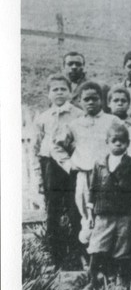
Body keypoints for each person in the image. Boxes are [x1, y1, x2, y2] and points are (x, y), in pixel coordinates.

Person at [52, 82, 125, 246]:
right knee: (87, 214)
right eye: (86, 99)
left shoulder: (113, 121)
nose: (90, 102)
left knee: (109, 214)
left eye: (94, 98)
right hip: (85, 175)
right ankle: (89, 257)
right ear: (80, 101)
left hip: (110, 176)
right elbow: (56, 146)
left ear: (102, 100)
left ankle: (109, 260)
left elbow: (127, 141)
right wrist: (69, 165)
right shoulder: (74, 124)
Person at [80, 125, 131, 290]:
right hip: (103, 213)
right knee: (96, 246)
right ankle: (93, 282)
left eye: (122, 141)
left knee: (122, 247)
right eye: (114, 141)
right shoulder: (99, 164)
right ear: (107, 142)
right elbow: (93, 189)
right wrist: (91, 213)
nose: (118, 144)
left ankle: (120, 281)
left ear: (128, 143)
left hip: (124, 214)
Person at [33, 74, 83, 265]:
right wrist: (39, 177)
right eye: (55, 89)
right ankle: (56, 255)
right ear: (48, 94)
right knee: (53, 209)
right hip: (50, 167)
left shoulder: (78, 114)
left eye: (63, 89)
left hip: (72, 165)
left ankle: (77, 253)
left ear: (70, 92)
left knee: (74, 208)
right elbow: (36, 149)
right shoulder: (43, 118)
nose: (59, 92)